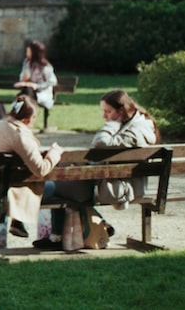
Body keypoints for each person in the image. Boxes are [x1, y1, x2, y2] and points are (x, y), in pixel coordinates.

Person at [33, 89, 159, 249]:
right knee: (61, 175)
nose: (104, 116)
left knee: (54, 184)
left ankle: (56, 237)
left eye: (108, 111)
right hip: (110, 181)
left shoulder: (135, 131)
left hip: (118, 188)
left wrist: (112, 123)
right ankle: (71, 232)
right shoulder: (135, 126)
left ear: (121, 111)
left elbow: (100, 142)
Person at [0, 94, 64, 239]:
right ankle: (58, 235)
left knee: (27, 179)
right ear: (28, 119)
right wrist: (54, 154)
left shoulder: (2, 124)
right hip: (2, 191)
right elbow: (41, 169)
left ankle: (19, 221)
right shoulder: (20, 135)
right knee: (59, 188)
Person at [14, 40, 57, 111]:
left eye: (28, 51)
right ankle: (17, 112)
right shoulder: (26, 63)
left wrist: (37, 86)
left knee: (23, 97)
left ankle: (16, 112)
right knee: (25, 94)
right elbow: (22, 77)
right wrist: (24, 79)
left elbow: (52, 81)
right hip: (28, 91)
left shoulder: (44, 66)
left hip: (42, 93)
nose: (27, 53)